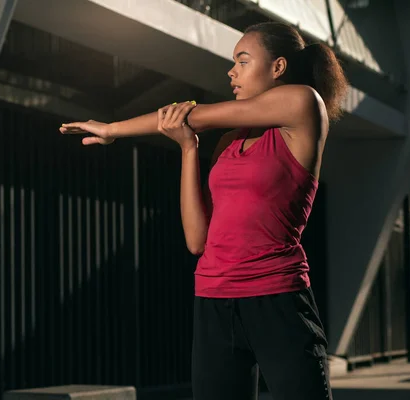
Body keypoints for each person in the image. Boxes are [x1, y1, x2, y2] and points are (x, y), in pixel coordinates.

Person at [60, 22, 348, 400]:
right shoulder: (229, 142)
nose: (232, 71)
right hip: (213, 300)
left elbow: (195, 114)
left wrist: (114, 128)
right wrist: (188, 149)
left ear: (278, 67)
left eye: (243, 61)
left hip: (276, 298)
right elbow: (197, 240)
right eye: (233, 63)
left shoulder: (303, 104)